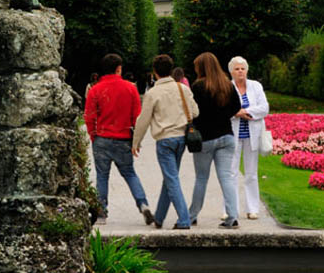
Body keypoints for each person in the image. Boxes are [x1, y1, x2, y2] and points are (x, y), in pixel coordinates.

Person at [84, 53, 154, 225]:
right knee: (130, 173)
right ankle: (142, 203)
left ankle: (101, 213)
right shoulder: (130, 88)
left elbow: (89, 116)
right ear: (118, 69)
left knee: (102, 176)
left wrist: (94, 136)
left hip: (102, 137)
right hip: (123, 138)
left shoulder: (95, 90)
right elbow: (136, 117)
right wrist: (135, 141)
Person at [133, 54, 199, 229]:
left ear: (154, 72)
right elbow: (195, 112)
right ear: (171, 70)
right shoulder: (182, 89)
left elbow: (143, 120)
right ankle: (159, 218)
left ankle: (184, 219)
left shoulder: (153, 93)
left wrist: (136, 142)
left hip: (164, 140)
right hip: (181, 139)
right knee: (170, 178)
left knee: (171, 179)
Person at [187, 52, 242, 229]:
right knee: (226, 177)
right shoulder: (227, 85)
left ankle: (192, 215)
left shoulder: (198, 87)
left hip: (205, 138)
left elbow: (193, 112)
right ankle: (232, 216)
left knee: (201, 178)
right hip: (226, 135)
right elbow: (237, 107)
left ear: (201, 68)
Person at [229, 55, 269, 220]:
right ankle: (231, 208)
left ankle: (252, 208)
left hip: (252, 134)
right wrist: (235, 113)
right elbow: (223, 108)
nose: (240, 72)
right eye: (237, 69)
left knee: (251, 173)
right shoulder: (227, 86)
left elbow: (264, 108)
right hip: (233, 135)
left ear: (247, 70)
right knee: (231, 173)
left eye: (243, 68)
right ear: (231, 71)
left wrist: (245, 112)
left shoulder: (256, 86)